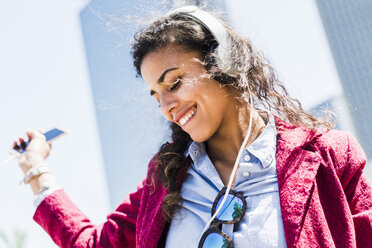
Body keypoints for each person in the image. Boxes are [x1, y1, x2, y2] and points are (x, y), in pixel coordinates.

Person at [13, 6, 372, 248]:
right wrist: (36, 170)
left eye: (173, 83)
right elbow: (91, 243)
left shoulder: (327, 155)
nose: (167, 107)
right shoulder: (164, 181)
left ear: (225, 63)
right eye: (156, 96)